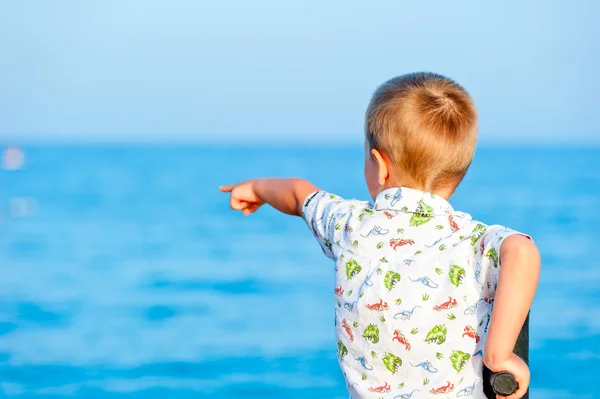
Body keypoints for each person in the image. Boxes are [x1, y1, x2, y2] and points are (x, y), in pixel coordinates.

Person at [220, 72, 540, 399]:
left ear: (379, 164)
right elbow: (522, 251)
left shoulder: (349, 226)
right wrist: (498, 354)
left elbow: (297, 194)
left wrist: (256, 187)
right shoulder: (473, 242)